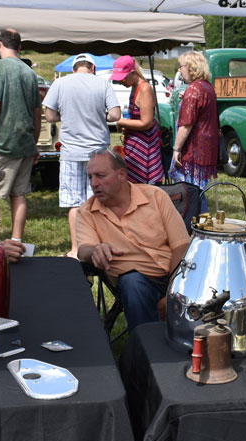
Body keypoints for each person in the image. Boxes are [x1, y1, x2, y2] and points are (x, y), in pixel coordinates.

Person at [75, 148, 191, 333]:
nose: (94, 183)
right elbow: (84, 250)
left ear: (121, 175)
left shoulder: (155, 197)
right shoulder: (87, 212)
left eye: (100, 176)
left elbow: (181, 244)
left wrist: (172, 292)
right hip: (135, 282)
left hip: (174, 273)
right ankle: (149, 347)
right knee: (134, 283)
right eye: (90, 177)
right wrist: (95, 250)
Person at [43, 53, 121, 258]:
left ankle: (76, 249)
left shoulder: (60, 83)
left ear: (74, 68)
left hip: (71, 151)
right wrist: (101, 116)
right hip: (98, 151)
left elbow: (49, 115)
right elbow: (115, 114)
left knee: (75, 203)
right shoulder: (102, 84)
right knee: (99, 200)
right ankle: (99, 246)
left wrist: (64, 115)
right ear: (93, 68)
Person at [0, 28, 43, 244]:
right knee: (19, 194)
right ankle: (17, 241)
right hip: (25, 143)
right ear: (20, 47)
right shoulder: (29, 72)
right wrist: (34, 142)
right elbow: (37, 112)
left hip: (3, 143)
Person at [170, 51, 219, 211]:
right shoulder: (206, 87)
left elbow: (186, 124)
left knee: (189, 191)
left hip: (193, 149)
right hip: (205, 148)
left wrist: (177, 149)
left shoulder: (194, 89)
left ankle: (196, 221)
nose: (180, 70)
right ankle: (201, 219)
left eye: (181, 66)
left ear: (191, 67)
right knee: (198, 189)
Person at [111, 56, 164, 184]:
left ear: (133, 73)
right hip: (135, 146)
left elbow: (147, 123)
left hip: (145, 148)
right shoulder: (134, 87)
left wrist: (121, 122)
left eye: (123, 78)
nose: (121, 82)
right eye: (118, 80)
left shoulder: (144, 89)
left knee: (144, 187)